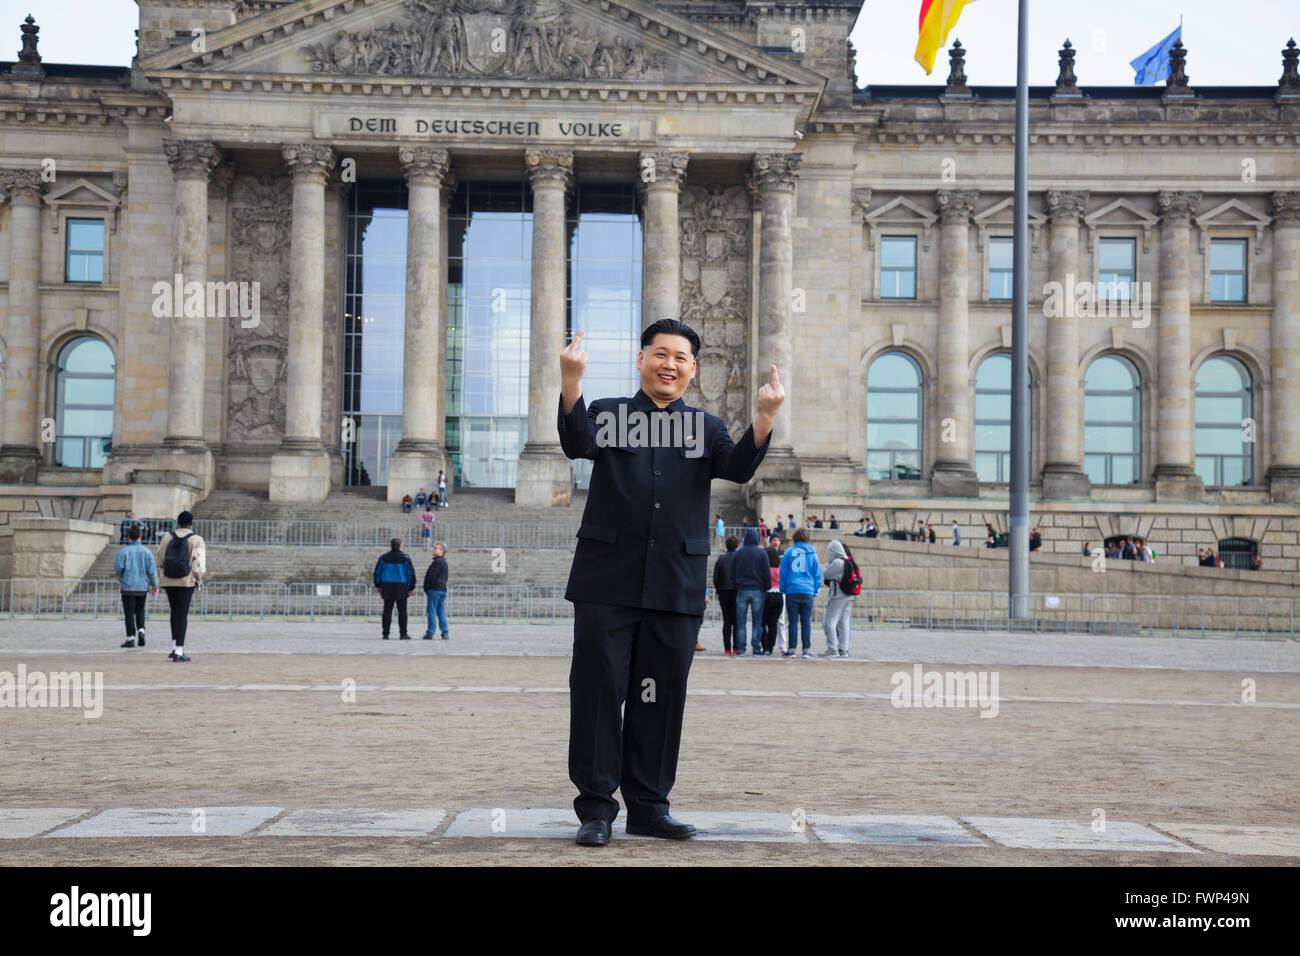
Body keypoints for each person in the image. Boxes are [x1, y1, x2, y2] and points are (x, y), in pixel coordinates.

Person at [557, 318, 777, 847]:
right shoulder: (607, 414)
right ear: (641, 360)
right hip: (605, 583)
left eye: (680, 357)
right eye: (660, 354)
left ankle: (650, 807)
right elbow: (575, 444)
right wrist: (570, 382)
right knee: (598, 693)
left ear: (691, 369)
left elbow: (740, 468)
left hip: (673, 587)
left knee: (659, 698)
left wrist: (765, 418)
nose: (669, 364)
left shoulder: (706, 428)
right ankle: (596, 810)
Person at [155, 510, 206, 662]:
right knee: (182, 614)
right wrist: (198, 580)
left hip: (169, 580)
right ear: (191, 523)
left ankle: (174, 646)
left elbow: (160, 559)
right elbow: (198, 565)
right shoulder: (197, 539)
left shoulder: (167, 537)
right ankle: (179, 650)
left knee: (174, 612)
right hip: (186, 581)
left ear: (178, 522)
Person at [115, 524, 158, 648]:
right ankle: (141, 630)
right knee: (140, 609)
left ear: (128, 537)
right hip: (142, 587)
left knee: (129, 613)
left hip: (128, 587)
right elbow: (152, 571)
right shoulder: (147, 552)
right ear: (140, 536)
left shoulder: (123, 552)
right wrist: (155, 585)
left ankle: (130, 638)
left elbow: (118, 569)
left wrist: (122, 575)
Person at [779, 528, 821, 658]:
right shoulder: (813, 554)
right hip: (807, 590)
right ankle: (806, 650)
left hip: (792, 590)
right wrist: (815, 589)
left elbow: (783, 572)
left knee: (792, 622)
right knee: (806, 621)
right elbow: (817, 574)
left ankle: (791, 649)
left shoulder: (788, 553)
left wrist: (783, 588)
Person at [731, 528, 770, 657]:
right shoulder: (762, 553)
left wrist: (735, 585)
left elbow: (732, 572)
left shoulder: (738, 553)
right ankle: (756, 648)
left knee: (740, 622)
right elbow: (766, 573)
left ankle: (741, 649)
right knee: (757, 622)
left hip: (742, 589)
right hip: (757, 589)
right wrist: (767, 587)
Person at [374, 537, 416, 640]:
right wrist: (411, 587)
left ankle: (385, 633)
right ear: (400, 546)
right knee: (402, 611)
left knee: (387, 610)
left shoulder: (383, 557)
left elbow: (377, 572)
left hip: (387, 585)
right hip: (401, 586)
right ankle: (403, 634)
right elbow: (410, 574)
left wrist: (378, 585)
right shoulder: (405, 558)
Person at [821, 539, 855, 658]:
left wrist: (828, 564)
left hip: (837, 596)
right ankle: (844, 649)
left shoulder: (837, 563)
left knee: (830, 622)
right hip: (849, 596)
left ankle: (832, 649)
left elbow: (826, 574)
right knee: (844, 623)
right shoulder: (848, 562)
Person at [712, 535, 740, 655]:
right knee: (737, 622)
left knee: (727, 621)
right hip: (737, 591)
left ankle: (727, 648)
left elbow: (715, 578)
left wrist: (718, 590)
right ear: (737, 545)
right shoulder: (740, 558)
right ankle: (736, 648)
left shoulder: (721, 559)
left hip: (723, 591)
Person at [422, 541, 450, 640]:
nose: (433, 549)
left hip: (434, 590)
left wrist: (427, 587)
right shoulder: (444, 562)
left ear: (441, 551)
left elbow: (431, 576)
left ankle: (430, 633)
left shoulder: (437, 562)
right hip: (442, 589)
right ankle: (445, 633)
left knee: (432, 611)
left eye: (436, 548)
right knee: (441, 611)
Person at [762, 543, 784, 656]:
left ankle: (765, 647)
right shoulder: (780, 569)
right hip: (779, 596)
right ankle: (771, 647)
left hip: (768, 595)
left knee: (762, 623)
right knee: (773, 624)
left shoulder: (766, 569)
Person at [766, 533, 786, 653]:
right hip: (772, 588)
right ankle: (769, 644)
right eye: (774, 539)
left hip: (779, 588)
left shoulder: (784, 554)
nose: (776, 542)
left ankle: (783, 645)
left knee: (781, 621)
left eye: (778, 540)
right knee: (771, 621)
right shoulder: (766, 552)